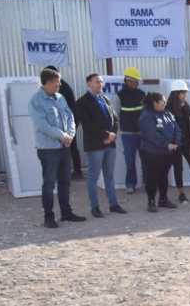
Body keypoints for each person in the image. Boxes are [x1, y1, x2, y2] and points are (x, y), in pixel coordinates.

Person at [28, 67, 84, 228]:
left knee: (65, 182)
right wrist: (62, 136)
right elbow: (42, 125)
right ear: (47, 82)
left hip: (64, 146)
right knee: (49, 183)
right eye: (57, 83)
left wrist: (70, 135)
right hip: (48, 149)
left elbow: (70, 116)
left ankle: (66, 213)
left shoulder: (60, 98)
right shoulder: (36, 101)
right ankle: (49, 217)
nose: (59, 86)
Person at [74, 72, 125, 217]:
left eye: (101, 81)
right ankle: (95, 207)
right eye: (97, 81)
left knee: (109, 176)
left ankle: (113, 204)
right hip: (95, 145)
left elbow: (115, 118)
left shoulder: (105, 99)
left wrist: (112, 134)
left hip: (110, 144)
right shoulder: (82, 102)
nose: (100, 84)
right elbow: (88, 125)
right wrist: (106, 135)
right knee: (93, 177)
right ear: (89, 83)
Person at [138, 93, 181, 213]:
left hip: (167, 152)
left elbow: (176, 128)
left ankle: (163, 199)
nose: (165, 103)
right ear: (155, 103)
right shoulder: (147, 116)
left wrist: (176, 141)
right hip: (152, 152)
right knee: (152, 177)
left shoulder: (167, 113)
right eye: (163, 101)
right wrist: (167, 144)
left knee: (163, 176)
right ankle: (151, 201)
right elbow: (151, 135)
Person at [42, 66, 81, 180]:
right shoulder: (61, 84)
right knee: (69, 145)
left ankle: (72, 172)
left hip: (68, 119)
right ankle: (75, 171)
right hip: (69, 118)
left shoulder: (59, 86)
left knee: (67, 145)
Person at [118, 67, 146, 194]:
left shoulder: (141, 94)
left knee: (146, 159)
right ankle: (130, 184)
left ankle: (148, 182)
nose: (137, 83)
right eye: (135, 81)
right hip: (128, 133)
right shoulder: (120, 95)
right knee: (130, 161)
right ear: (128, 80)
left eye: (137, 81)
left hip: (142, 133)